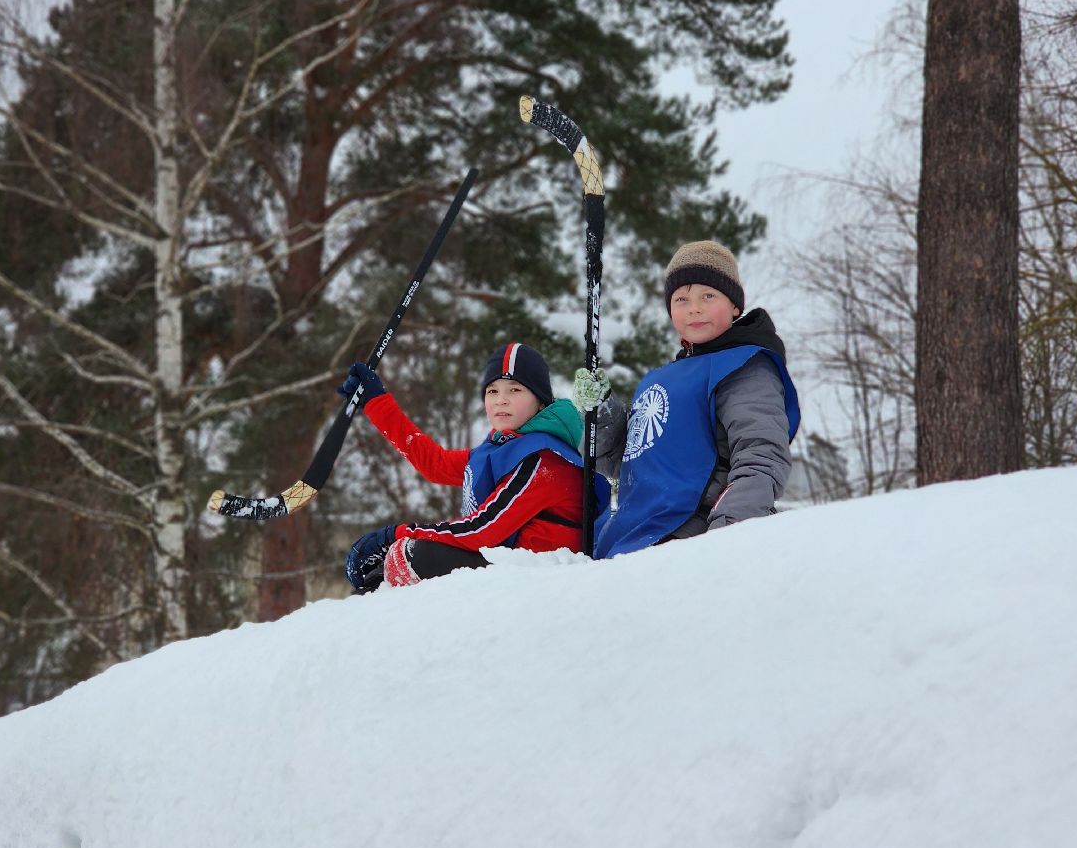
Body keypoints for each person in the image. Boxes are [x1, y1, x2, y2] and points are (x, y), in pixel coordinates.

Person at [572, 240, 800, 559]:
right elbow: (630, 465)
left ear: (735, 305)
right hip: (632, 541)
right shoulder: (662, 378)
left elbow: (761, 456)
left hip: (691, 539)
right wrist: (603, 412)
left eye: (708, 295)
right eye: (682, 298)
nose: (694, 307)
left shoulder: (743, 367)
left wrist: (725, 539)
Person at [341, 342, 608, 592]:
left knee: (411, 553)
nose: (501, 400)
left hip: (541, 582)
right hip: (511, 569)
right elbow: (435, 464)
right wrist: (376, 401)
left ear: (540, 400)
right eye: (493, 391)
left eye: (515, 389)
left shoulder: (544, 460)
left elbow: (482, 529)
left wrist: (394, 534)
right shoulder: (501, 450)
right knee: (393, 564)